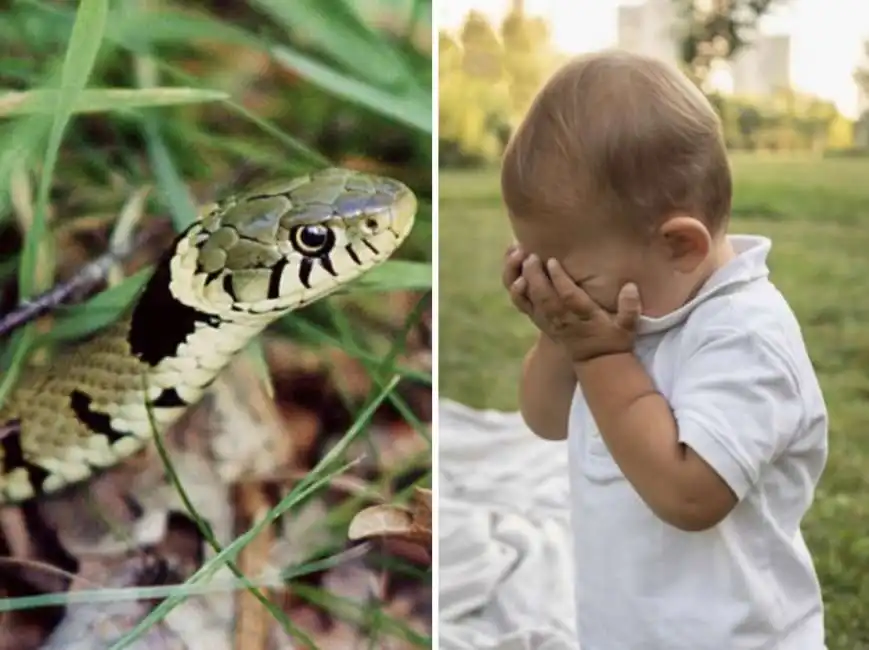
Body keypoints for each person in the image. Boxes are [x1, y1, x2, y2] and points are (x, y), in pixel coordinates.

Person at [499, 49, 828, 650]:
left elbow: (689, 493)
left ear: (679, 246)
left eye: (572, 277)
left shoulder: (746, 336)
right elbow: (544, 420)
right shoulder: (628, 312)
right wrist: (557, 334)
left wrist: (599, 357)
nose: (562, 291)